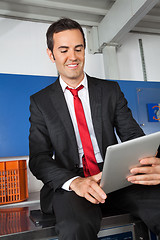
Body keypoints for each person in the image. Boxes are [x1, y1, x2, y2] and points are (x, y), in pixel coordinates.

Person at [29, 18, 160, 240]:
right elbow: (39, 158)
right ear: (51, 55)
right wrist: (75, 182)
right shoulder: (40, 101)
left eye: (78, 49)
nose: (73, 57)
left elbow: (133, 137)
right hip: (73, 181)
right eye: (64, 50)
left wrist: (153, 162)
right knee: (75, 228)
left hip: (115, 175)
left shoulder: (110, 90)